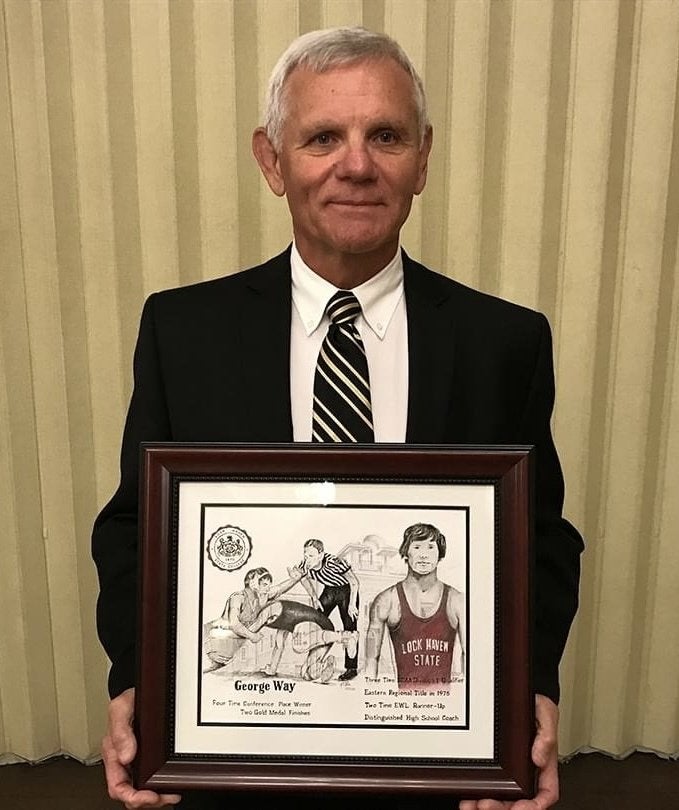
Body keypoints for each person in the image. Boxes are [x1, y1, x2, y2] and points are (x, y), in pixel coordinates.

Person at [92, 25, 582, 810]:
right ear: (271, 159)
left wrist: (530, 695)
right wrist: (139, 684)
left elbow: (541, 541)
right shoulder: (183, 331)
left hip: (439, 768)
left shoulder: (505, 341)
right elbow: (132, 530)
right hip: (237, 764)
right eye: (322, 137)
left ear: (422, 157)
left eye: (384, 135)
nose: (356, 165)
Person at [364, 523, 465, 689]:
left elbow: (470, 656)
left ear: (440, 555)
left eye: (431, 547)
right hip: (406, 705)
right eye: (417, 547)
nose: (424, 555)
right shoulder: (386, 600)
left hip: (445, 704)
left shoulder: (457, 600)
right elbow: (371, 660)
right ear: (406, 553)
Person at [203, 566, 301, 671]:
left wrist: (295, 579)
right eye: (263, 583)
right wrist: (252, 636)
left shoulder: (261, 597)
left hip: (223, 656)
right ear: (252, 583)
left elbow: (279, 588)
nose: (268, 587)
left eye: (268, 584)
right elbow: (234, 623)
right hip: (206, 645)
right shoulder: (237, 598)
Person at [293, 538, 360, 681]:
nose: (307, 559)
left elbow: (354, 582)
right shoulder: (304, 565)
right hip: (330, 591)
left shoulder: (334, 563)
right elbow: (302, 578)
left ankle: (351, 668)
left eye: (311, 556)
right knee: (316, 621)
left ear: (321, 555)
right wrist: (314, 597)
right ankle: (317, 660)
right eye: (306, 555)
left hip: (347, 592)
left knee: (350, 627)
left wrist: (352, 604)